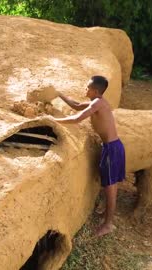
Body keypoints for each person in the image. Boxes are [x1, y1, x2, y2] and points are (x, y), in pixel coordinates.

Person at [51, 75, 126, 237]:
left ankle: (108, 224)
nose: (85, 90)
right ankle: (107, 215)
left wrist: (52, 120)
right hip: (111, 147)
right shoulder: (96, 102)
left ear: (95, 91)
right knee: (109, 184)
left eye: (87, 88)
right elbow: (77, 105)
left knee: (111, 188)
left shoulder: (98, 103)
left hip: (112, 149)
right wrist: (58, 94)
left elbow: (78, 118)